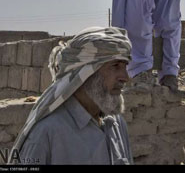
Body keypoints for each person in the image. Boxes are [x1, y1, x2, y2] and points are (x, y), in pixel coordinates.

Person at [11, 27, 133, 165]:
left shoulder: (116, 124)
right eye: (115, 65)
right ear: (86, 73)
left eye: (125, 66)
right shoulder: (47, 133)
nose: (125, 77)